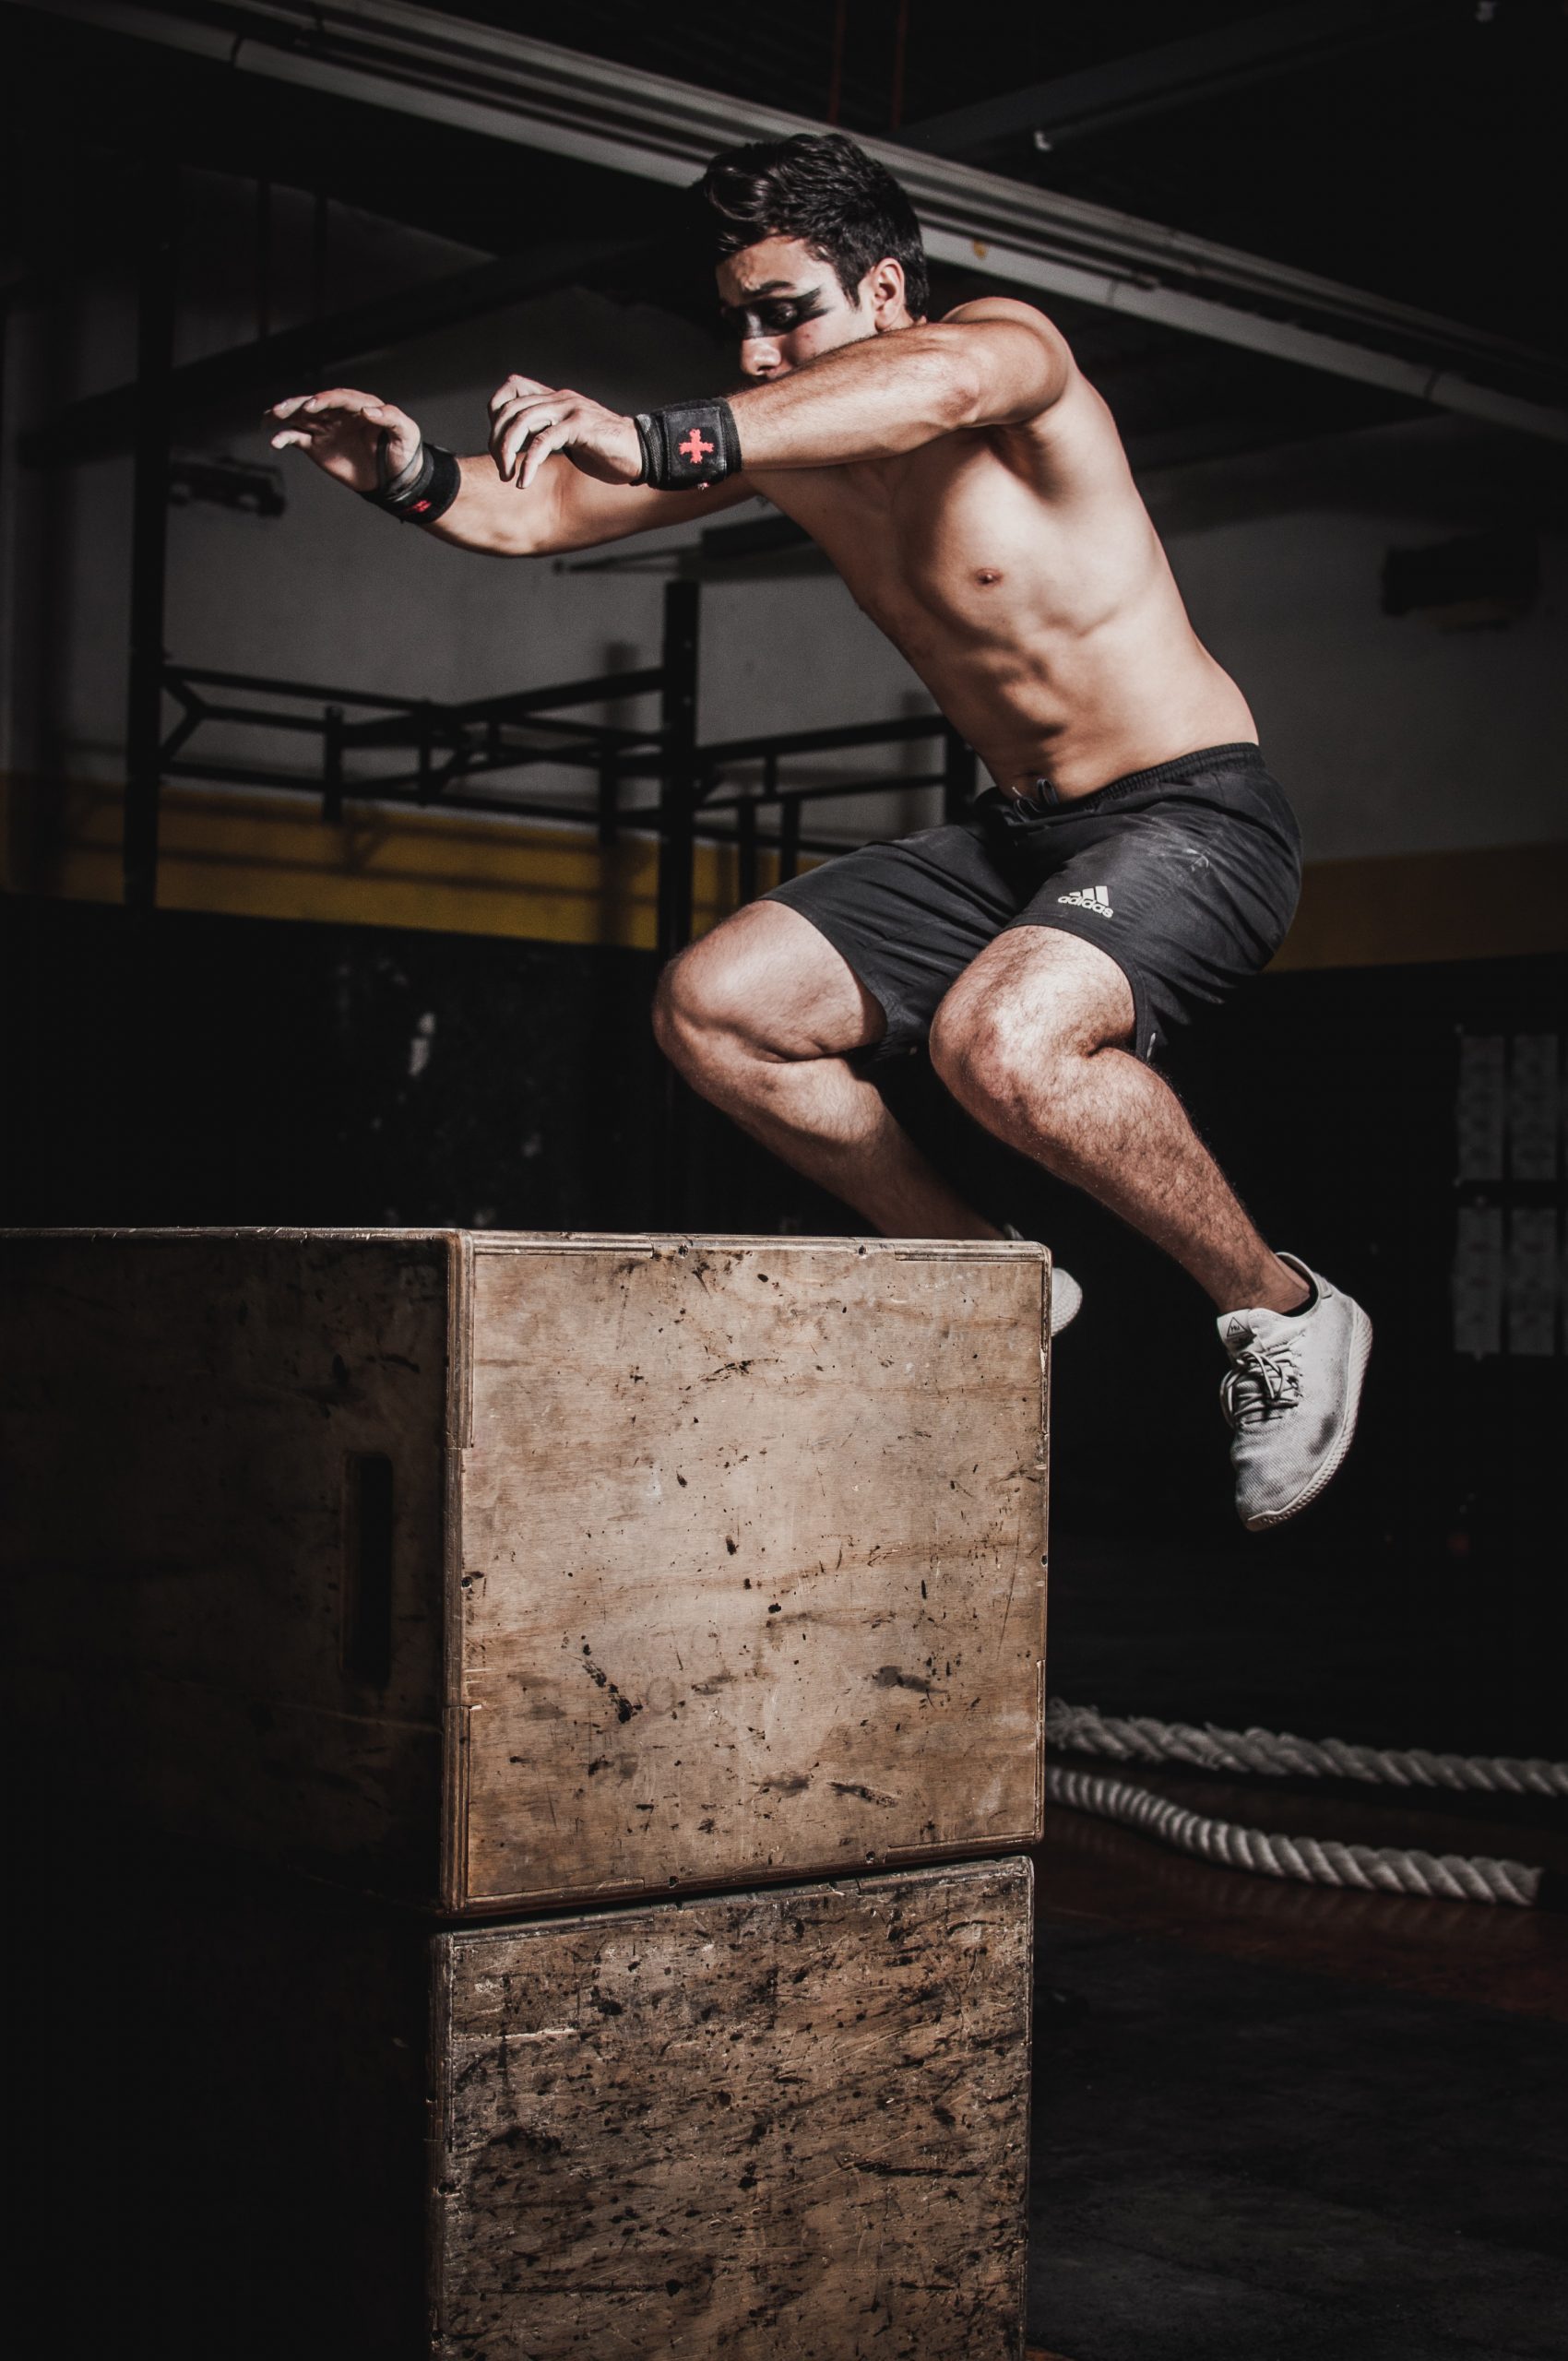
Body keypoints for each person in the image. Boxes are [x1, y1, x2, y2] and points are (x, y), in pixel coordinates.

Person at [268, 131, 1370, 1531]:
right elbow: (538, 509)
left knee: (999, 1045)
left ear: (891, 290)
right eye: (740, 322)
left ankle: (1279, 1308)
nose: (761, 349)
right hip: (1022, 839)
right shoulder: (789, 450)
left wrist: (668, 432)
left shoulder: (1001, 360)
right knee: (717, 1008)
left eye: (789, 311)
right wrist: (415, 472)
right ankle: (994, 1280)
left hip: (1193, 813)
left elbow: (945, 379)